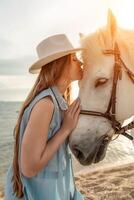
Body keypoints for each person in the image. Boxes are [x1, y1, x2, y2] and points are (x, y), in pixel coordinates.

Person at [5, 34, 85, 200]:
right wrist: (65, 129)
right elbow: (28, 168)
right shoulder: (45, 105)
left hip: (56, 188)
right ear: (60, 63)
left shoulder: (59, 102)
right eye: (74, 59)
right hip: (42, 192)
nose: (81, 62)